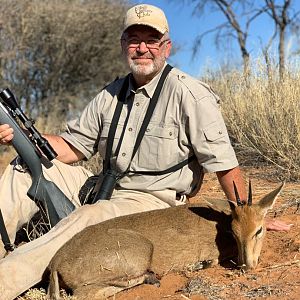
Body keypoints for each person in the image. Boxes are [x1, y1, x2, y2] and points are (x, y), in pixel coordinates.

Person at [0, 4, 291, 299]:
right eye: (134, 39)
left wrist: (251, 216)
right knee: (23, 165)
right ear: (123, 46)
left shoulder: (190, 94)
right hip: (103, 186)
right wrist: (22, 136)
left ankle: (5, 283)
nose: (142, 48)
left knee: (90, 217)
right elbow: (72, 147)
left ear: (166, 47)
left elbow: (225, 166)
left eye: (151, 40)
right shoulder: (110, 94)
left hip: (150, 202)